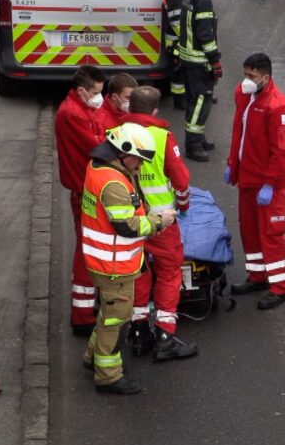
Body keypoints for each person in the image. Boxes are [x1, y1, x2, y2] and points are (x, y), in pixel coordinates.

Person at [81, 123, 178, 395]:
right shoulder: (113, 182)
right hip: (114, 265)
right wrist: (159, 221)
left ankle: (92, 358)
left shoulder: (99, 167)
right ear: (122, 152)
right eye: (137, 159)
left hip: (105, 261)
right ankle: (108, 376)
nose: (139, 166)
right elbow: (126, 226)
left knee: (108, 314)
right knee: (116, 321)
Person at [121, 86, 198, 362]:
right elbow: (181, 180)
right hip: (161, 221)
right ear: (155, 111)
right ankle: (165, 335)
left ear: (129, 107)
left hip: (129, 221)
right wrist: (184, 205)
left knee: (138, 271)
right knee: (168, 273)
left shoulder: (116, 133)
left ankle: (139, 331)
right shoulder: (162, 137)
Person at [226, 53, 285, 310]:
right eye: (245, 75)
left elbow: (281, 152)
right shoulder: (244, 95)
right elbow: (238, 132)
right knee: (250, 231)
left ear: (266, 77)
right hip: (247, 178)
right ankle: (257, 276)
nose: (246, 81)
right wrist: (232, 164)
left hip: (268, 184)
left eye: (251, 76)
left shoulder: (278, 107)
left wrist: (270, 183)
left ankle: (279, 287)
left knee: (272, 235)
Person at [54, 65, 107, 335]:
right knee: (88, 252)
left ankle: (86, 307)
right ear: (82, 90)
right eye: (97, 92)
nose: (100, 97)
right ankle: (83, 315)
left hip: (86, 187)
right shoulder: (73, 114)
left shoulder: (81, 108)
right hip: (85, 190)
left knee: (89, 249)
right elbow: (97, 146)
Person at [180, 0, 223, 161]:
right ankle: (193, 143)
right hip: (199, 61)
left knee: (192, 100)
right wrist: (215, 60)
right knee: (201, 101)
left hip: (188, 58)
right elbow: (205, 34)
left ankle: (198, 136)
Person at [163, 0, 195, 110]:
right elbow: (176, 21)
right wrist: (188, 38)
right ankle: (180, 100)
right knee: (179, 69)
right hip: (178, 39)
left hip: (180, 38)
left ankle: (191, 95)